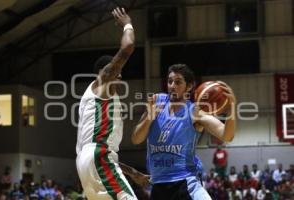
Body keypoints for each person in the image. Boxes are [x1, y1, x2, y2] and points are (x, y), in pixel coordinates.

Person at [131, 64, 236, 200]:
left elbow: (227, 135)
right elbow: (136, 139)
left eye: (178, 82)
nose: (172, 86)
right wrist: (149, 118)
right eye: (170, 81)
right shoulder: (156, 103)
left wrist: (232, 107)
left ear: (189, 86)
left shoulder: (194, 112)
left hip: (185, 182)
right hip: (158, 184)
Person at [76, 7, 148, 200]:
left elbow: (104, 154)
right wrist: (127, 24)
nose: (120, 75)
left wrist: (133, 173)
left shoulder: (95, 99)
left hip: (89, 162)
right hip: (96, 159)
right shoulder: (102, 83)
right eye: (117, 71)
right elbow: (128, 47)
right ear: (104, 72)